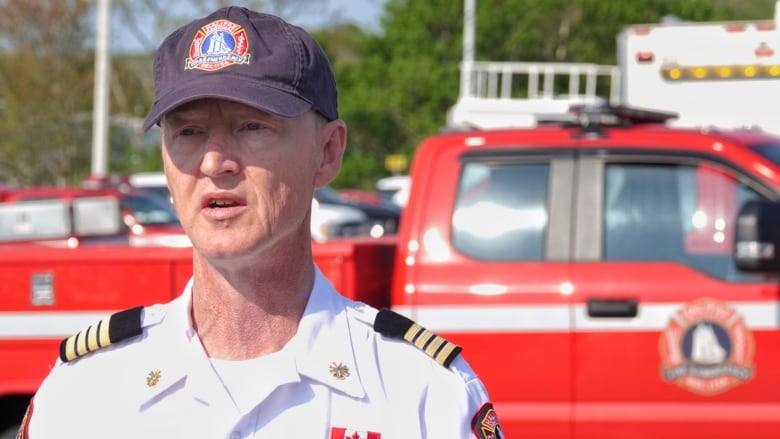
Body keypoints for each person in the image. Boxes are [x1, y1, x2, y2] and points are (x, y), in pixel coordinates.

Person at [19, 6, 503, 438]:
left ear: (328, 152)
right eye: (188, 131)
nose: (214, 162)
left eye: (251, 126)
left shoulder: (421, 393)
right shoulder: (86, 393)